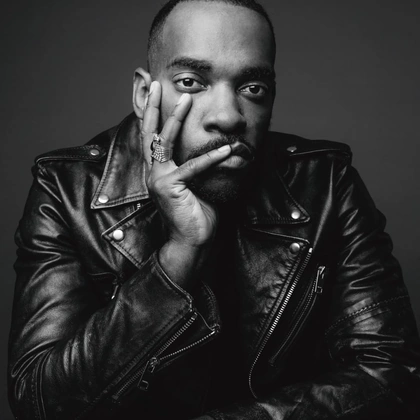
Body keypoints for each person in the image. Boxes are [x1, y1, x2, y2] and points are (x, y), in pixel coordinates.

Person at [8, 0, 420, 419]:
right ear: (145, 95)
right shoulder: (68, 189)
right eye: (191, 82)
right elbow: (39, 402)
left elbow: (392, 372)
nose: (227, 116)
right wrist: (178, 255)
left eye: (252, 88)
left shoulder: (326, 183)